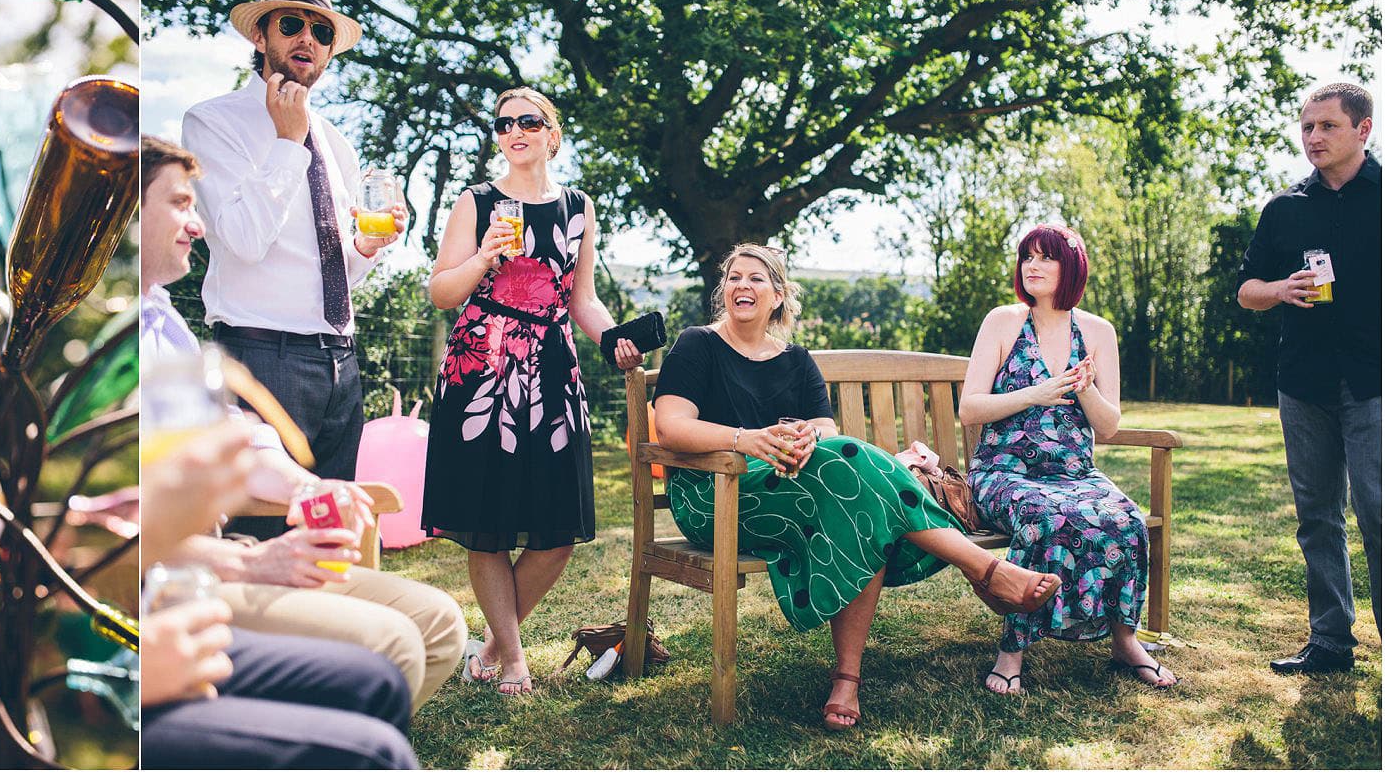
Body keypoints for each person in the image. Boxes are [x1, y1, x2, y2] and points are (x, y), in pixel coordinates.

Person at [652, 243, 1061, 730]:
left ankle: (848, 679)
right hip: (714, 494)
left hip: (795, 487)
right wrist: (749, 441)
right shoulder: (697, 344)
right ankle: (985, 571)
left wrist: (807, 441)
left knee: (861, 501)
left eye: (757, 279)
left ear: (778, 295)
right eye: (735, 277)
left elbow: (827, 430)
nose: (743, 285)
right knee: (857, 482)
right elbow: (671, 425)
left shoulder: (797, 360)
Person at [138, 134, 464, 712]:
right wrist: (254, 562)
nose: (198, 225)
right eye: (181, 204)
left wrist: (311, 488)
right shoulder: (113, 351)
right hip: (172, 583)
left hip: (332, 359)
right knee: (392, 646)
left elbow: (242, 439)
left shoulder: (163, 322)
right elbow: (134, 531)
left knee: (439, 622)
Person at [421, 87, 642, 697]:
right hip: (482, 366)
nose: (513, 130)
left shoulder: (578, 207)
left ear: (553, 134)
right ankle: (513, 657)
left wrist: (614, 341)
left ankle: (490, 645)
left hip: (551, 367)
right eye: (503, 123)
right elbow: (442, 290)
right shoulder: (477, 202)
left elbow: (582, 300)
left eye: (528, 120)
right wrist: (485, 255)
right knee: (486, 520)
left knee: (558, 528)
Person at [178, 0, 404, 511]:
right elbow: (242, 241)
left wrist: (368, 251)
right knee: (258, 537)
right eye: (292, 24)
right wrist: (286, 140)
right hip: (261, 358)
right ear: (261, 35)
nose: (307, 39)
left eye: (321, 32)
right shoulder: (212, 122)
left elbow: (331, 271)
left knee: (327, 534)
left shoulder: (338, 141)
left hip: (341, 363)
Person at [959, 223, 1176, 694]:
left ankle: (1124, 640)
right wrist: (1035, 393)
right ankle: (1011, 651)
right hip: (1003, 471)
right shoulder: (1004, 321)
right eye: (1027, 257)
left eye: (1045, 258)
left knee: (1126, 520)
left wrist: (1087, 389)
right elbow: (969, 408)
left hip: (1075, 473)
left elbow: (1109, 425)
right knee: (1046, 519)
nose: (1032, 266)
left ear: (1070, 266)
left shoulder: (1097, 331)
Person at [139, 422, 417, 769]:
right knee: (378, 744)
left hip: (211, 562)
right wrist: (251, 562)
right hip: (167, 588)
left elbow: (247, 445)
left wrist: (308, 487)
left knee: (401, 661)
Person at [1237, 82, 1380, 675]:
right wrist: (1279, 289)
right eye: (1306, 127)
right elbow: (1247, 291)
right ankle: (1329, 643)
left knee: (1378, 512)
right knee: (1317, 514)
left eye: (1326, 126)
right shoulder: (1285, 208)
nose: (1313, 137)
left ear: (1363, 130)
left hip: (1375, 381)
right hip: (1303, 384)